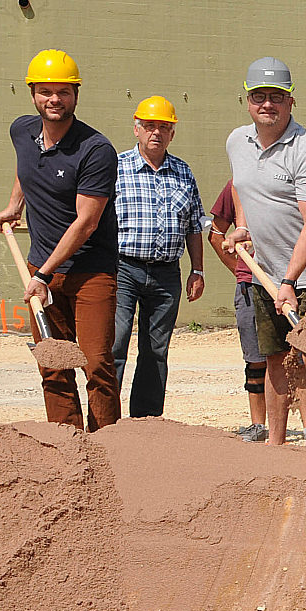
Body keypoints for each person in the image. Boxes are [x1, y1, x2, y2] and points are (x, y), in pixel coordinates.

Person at [0, 49, 121, 430]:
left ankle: (108, 447)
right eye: (45, 91)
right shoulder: (22, 130)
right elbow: (25, 165)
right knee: (51, 362)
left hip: (90, 272)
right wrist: (15, 205)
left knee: (96, 363)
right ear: (32, 93)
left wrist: (43, 276)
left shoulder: (96, 150)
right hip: (42, 265)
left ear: (76, 95)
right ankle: (66, 443)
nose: (54, 99)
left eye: (63, 92)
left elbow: (86, 223)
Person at [222, 57, 306, 449]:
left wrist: (290, 281)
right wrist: (242, 224)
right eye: (259, 96)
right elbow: (241, 185)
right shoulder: (236, 142)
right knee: (274, 357)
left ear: (291, 102)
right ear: (247, 100)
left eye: (277, 97)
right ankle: (276, 446)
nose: (267, 104)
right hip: (266, 272)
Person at [111, 96, 206, 418]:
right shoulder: (116, 168)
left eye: (164, 127)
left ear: (172, 134)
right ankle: (106, 418)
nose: (157, 133)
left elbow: (194, 224)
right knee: (115, 345)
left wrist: (198, 270)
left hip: (167, 274)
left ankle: (146, 421)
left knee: (155, 350)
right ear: (136, 129)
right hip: (123, 269)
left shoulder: (183, 172)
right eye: (150, 126)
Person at [207, 181, 273, 441]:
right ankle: (258, 425)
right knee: (255, 357)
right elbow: (216, 234)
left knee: (294, 357)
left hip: (288, 281)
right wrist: (240, 271)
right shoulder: (237, 185)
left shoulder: (290, 180)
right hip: (250, 284)